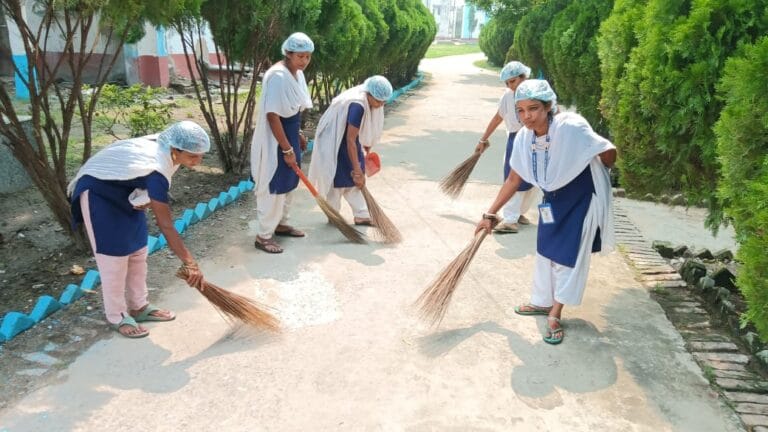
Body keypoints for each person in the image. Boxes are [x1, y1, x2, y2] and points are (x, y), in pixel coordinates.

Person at [475, 80, 617, 345]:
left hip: (581, 198)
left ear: (549, 106)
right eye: (521, 110)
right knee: (545, 251)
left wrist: (598, 164)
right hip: (552, 200)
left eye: (534, 109)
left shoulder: (571, 127)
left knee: (567, 257)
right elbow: (514, 179)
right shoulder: (524, 137)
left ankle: (555, 313)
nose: (527, 116)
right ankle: (542, 302)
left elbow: (608, 150)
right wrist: (489, 214)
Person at [68, 121, 209, 338]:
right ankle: (117, 315)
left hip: (126, 192)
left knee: (137, 251)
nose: (197, 162)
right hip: (99, 195)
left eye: (201, 156)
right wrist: (190, 263)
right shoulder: (156, 168)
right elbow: (166, 225)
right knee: (113, 260)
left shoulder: (169, 151)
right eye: (192, 156)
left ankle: (139, 306)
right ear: (175, 150)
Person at [250, 32, 314, 254]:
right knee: (274, 185)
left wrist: (297, 135)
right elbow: (273, 115)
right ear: (288, 53)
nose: (304, 61)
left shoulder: (297, 74)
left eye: (307, 57)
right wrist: (286, 148)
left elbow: (293, 109)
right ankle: (263, 236)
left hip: (289, 133)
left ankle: (281, 224)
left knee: (289, 183)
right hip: (276, 139)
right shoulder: (277, 75)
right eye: (300, 56)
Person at [307, 75, 393, 225]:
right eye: (379, 101)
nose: (381, 105)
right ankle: (333, 215)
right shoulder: (358, 106)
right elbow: (350, 140)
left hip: (350, 142)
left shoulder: (369, 100)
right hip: (336, 144)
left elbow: (363, 131)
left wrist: (364, 153)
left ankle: (362, 215)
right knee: (336, 182)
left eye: (384, 101)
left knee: (355, 184)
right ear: (370, 95)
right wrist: (357, 169)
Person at [475, 61, 538, 234]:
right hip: (516, 139)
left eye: (513, 81)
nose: (510, 86)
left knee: (533, 180)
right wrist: (483, 139)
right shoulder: (508, 97)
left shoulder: (536, 93)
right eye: (507, 83)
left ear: (523, 77)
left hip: (536, 138)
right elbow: (498, 118)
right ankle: (510, 219)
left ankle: (518, 214)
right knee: (512, 178)